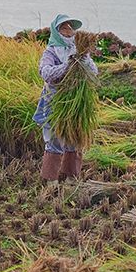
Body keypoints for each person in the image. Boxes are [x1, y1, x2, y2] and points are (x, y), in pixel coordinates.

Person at [33, 14, 97, 184]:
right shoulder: (51, 51)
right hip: (55, 102)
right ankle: (50, 179)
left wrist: (83, 60)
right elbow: (45, 73)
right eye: (64, 27)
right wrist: (67, 65)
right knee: (54, 138)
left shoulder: (79, 51)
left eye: (71, 28)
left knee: (74, 137)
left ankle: (71, 177)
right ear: (56, 31)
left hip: (76, 102)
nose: (68, 31)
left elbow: (93, 73)